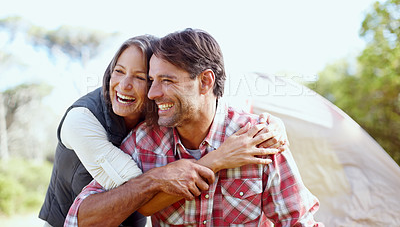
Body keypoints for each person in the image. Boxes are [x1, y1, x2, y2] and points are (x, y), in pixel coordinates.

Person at [65, 28, 321, 226]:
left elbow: (298, 222)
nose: (152, 93)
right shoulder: (145, 141)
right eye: (152, 80)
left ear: (205, 81)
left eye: (166, 80)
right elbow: (80, 218)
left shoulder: (257, 139)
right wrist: (157, 179)